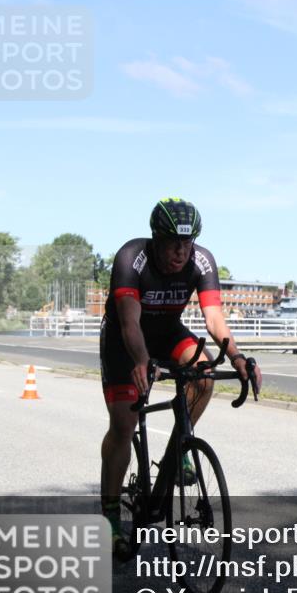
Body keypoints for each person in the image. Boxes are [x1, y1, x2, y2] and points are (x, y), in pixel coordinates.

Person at [99, 198, 262, 556]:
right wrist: (141, 361)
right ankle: (109, 517)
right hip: (125, 340)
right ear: (156, 238)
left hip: (167, 332)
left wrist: (236, 356)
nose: (181, 251)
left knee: (204, 375)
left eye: (187, 242)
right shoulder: (131, 257)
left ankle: (178, 449)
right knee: (124, 426)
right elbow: (129, 322)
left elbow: (214, 318)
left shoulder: (202, 260)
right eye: (173, 242)